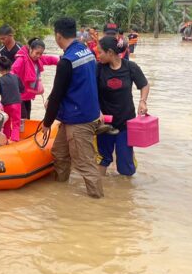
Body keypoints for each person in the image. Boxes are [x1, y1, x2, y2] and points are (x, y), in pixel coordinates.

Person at [41, 17, 104, 199]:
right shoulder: (86, 51)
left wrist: (47, 123)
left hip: (79, 120)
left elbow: (57, 96)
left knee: (85, 164)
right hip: (81, 113)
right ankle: (61, 193)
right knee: (59, 153)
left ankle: (98, 202)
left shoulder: (66, 61)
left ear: (58, 36)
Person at [96, 36, 150, 176]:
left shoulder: (130, 67)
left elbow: (144, 85)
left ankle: (125, 194)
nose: (98, 55)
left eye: (100, 52)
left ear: (110, 53)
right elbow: (90, 93)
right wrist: (97, 110)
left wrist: (142, 101)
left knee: (125, 165)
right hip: (104, 124)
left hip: (126, 123)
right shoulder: (98, 69)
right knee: (102, 159)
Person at [12, 38, 59, 121]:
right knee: (23, 120)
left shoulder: (38, 59)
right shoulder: (21, 60)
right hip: (18, 96)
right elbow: (12, 73)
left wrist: (63, 60)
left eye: (40, 54)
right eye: (36, 53)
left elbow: (50, 59)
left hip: (27, 97)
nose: (38, 56)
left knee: (27, 119)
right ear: (30, 49)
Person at [0, 56, 24, 142]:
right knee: (16, 124)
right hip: (17, 104)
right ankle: (14, 140)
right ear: (10, 67)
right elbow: (22, 89)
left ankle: (6, 140)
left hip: (6, 104)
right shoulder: (16, 77)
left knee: (7, 123)